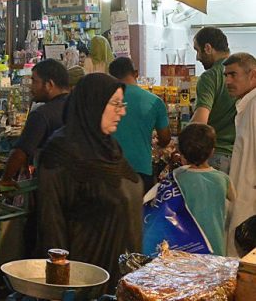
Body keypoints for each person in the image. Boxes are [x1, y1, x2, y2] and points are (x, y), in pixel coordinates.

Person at [38, 73, 142, 294]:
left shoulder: (109, 147)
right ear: (92, 105)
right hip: (84, 280)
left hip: (118, 277)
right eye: (115, 104)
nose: (121, 111)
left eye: (122, 104)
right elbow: (51, 222)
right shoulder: (61, 152)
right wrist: (59, 286)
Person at [0, 59, 71, 188]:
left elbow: (20, 152)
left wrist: (6, 178)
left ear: (49, 85)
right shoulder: (79, 107)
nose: (31, 87)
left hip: (50, 186)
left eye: (34, 81)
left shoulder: (42, 114)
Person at [109, 57, 171, 191]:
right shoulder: (155, 101)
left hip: (110, 169)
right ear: (136, 73)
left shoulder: (103, 100)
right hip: (141, 169)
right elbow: (165, 139)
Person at [174, 123, 235, 256]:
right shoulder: (222, 178)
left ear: (182, 153)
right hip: (215, 247)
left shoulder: (177, 177)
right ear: (212, 151)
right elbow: (234, 198)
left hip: (187, 247)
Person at [222, 52, 256, 256]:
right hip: (243, 199)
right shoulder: (246, 104)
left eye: (233, 75)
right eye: (226, 75)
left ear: (253, 75)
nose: (228, 81)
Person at [191, 27, 237, 173]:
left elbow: (200, 123)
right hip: (240, 156)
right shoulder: (243, 75)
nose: (197, 57)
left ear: (208, 48)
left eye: (197, 50)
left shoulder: (210, 77)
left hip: (216, 156)